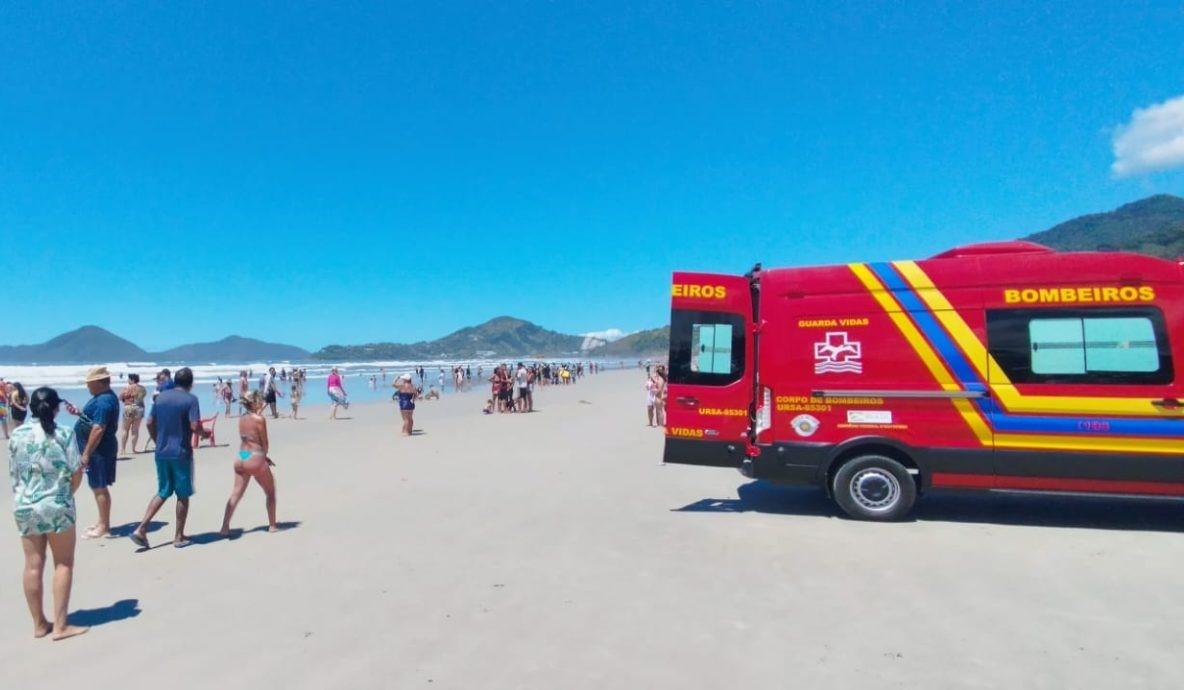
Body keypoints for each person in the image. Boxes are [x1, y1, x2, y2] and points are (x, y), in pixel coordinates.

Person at [8, 388, 89, 641]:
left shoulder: (16, 435)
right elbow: (76, 471)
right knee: (63, 563)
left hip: (25, 505)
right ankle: (60, 626)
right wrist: (67, 494)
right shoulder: (64, 433)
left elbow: (15, 472)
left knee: (33, 565)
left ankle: (39, 624)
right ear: (56, 408)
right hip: (57, 504)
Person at [130, 367, 204, 549]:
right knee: (183, 494)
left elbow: (149, 422)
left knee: (163, 491)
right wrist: (205, 433)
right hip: (181, 452)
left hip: (161, 452)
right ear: (191, 383)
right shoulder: (191, 399)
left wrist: (157, 440)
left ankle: (141, 528)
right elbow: (195, 426)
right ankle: (178, 537)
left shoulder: (160, 398)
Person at [219, 390, 278, 536]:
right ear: (254, 402)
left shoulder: (242, 418)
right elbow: (264, 443)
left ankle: (224, 527)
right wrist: (264, 457)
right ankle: (272, 526)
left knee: (236, 493)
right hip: (255, 456)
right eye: (259, 399)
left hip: (242, 456)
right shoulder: (259, 419)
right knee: (270, 491)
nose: (261, 401)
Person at [72, 367, 119, 540]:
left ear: (98, 382)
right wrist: (79, 413)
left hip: (99, 451)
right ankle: (101, 522)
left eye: (89, 383)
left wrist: (86, 453)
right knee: (96, 486)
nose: (87, 386)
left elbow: (99, 428)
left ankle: (104, 527)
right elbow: (93, 421)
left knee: (99, 487)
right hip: (97, 449)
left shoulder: (104, 401)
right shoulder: (101, 398)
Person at [118, 373, 147, 454]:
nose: (128, 380)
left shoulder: (127, 387)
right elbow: (142, 397)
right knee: (135, 430)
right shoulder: (142, 388)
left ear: (132, 380)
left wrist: (126, 398)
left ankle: (123, 450)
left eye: (129, 379)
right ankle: (133, 449)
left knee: (125, 429)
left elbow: (120, 397)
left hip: (129, 407)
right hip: (139, 408)